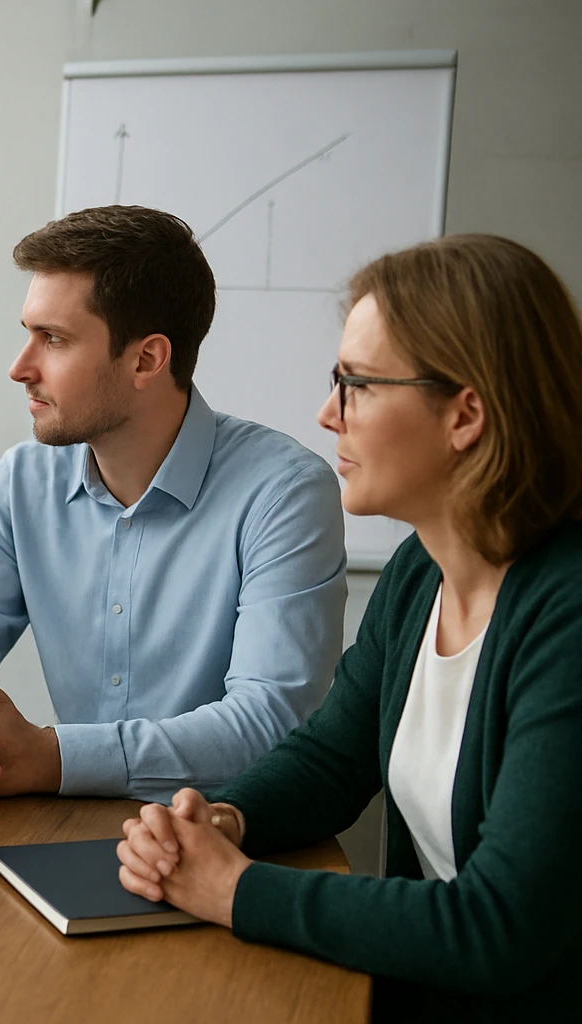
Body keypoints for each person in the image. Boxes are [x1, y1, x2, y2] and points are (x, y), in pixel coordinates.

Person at [117, 234, 582, 1019]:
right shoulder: (419, 574)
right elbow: (333, 758)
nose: (327, 413)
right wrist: (226, 817)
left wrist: (234, 889)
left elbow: (500, 927)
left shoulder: (565, 614)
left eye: (357, 384)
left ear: (466, 412)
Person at [0, 205, 346, 801]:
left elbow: (268, 721)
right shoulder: (23, 479)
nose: (19, 368)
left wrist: (52, 757)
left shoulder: (285, 492)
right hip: (67, 828)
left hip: (227, 838)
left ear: (146, 360)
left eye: (52, 339)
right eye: (27, 333)